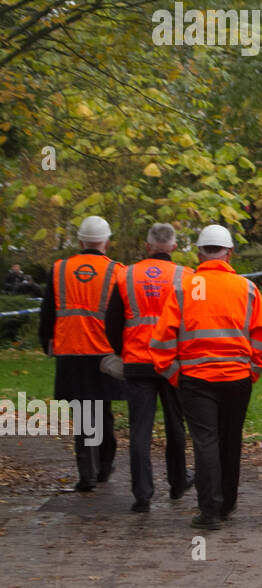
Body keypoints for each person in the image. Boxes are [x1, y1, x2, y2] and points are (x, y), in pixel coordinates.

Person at [152, 224, 262, 530]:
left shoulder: (182, 288)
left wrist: (175, 375)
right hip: (237, 378)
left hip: (196, 379)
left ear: (200, 253)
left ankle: (210, 511)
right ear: (229, 253)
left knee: (205, 442)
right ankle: (227, 503)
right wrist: (253, 370)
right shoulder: (248, 289)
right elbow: (261, 337)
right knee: (231, 440)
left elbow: (162, 340)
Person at [39, 216, 126, 492]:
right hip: (104, 353)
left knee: (83, 413)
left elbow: (47, 312)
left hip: (70, 350)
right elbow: (122, 315)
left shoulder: (59, 269)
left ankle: (87, 473)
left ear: (80, 241)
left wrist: (47, 343)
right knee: (103, 411)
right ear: (107, 242)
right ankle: (104, 466)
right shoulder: (117, 271)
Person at [117, 223, 192, 512]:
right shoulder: (187, 276)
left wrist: (118, 353)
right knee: (176, 425)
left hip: (136, 362)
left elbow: (114, 321)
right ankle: (177, 483)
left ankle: (142, 495)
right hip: (173, 363)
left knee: (140, 430)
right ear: (173, 247)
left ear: (147, 246)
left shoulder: (125, 275)